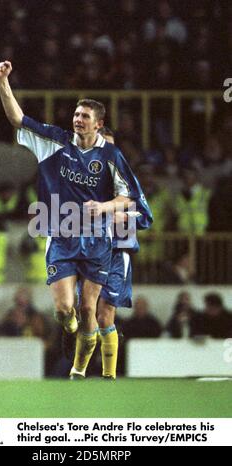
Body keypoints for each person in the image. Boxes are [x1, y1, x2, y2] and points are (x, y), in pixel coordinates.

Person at [0, 60, 143, 379]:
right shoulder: (54, 142)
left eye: (84, 116)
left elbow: (130, 198)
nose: (77, 118)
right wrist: (3, 81)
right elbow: (16, 118)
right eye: (75, 114)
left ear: (98, 125)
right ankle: (69, 326)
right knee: (65, 309)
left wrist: (105, 210)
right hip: (61, 236)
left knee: (94, 309)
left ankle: (93, 373)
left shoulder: (111, 158)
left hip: (98, 241)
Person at [76, 127, 153, 379]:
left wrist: (122, 215)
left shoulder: (127, 182)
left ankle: (109, 376)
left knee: (105, 313)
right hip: (88, 255)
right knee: (85, 312)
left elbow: (146, 217)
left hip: (118, 254)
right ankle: (79, 370)